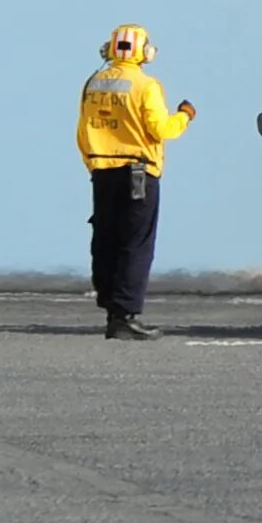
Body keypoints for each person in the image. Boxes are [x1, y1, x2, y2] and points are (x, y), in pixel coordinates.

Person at [76, 24, 194, 340]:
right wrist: (185, 115)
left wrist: (94, 163)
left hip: (101, 171)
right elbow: (162, 130)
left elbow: (82, 130)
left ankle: (109, 303)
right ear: (144, 52)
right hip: (138, 173)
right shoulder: (145, 85)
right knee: (135, 243)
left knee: (105, 239)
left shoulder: (94, 82)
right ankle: (124, 316)